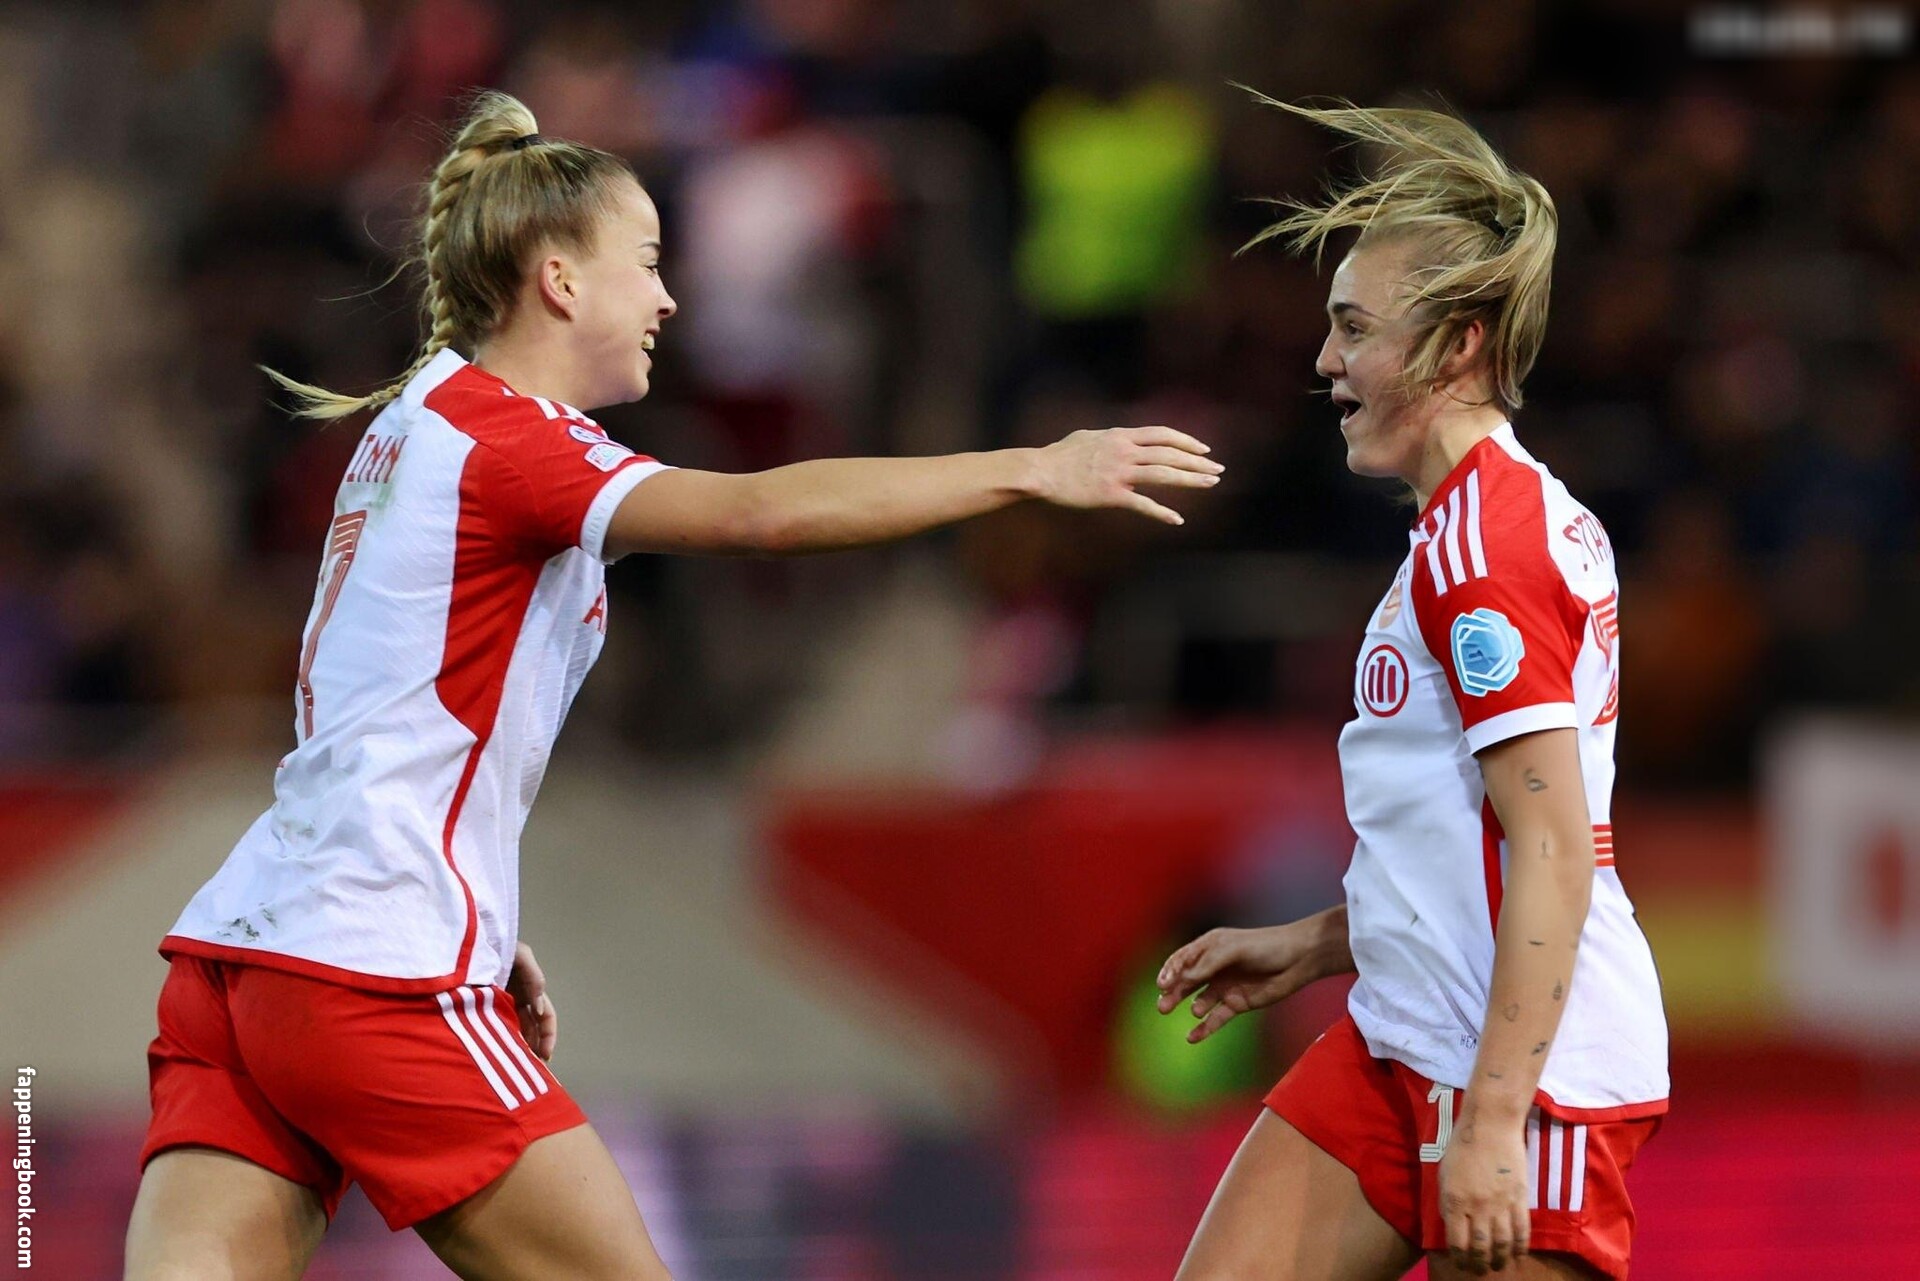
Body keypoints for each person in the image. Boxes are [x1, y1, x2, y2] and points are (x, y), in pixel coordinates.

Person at [124, 90, 1222, 1281]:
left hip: (243, 957)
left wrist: (477, 907)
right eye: (647, 263)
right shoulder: (511, 439)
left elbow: (373, 710)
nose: (668, 299)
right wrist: (1028, 468)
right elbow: (760, 514)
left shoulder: (410, 429)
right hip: (372, 963)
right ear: (559, 280)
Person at [1156, 97, 1667, 1281]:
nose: (1324, 361)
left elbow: (1553, 849)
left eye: (1353, 329)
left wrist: (1493, 1123)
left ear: (1457, 346)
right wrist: (1326, 942)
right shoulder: (1465, 529)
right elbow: (1462, 834)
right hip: (1399, 1039)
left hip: (1524, 1071)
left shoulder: (1487, 550)